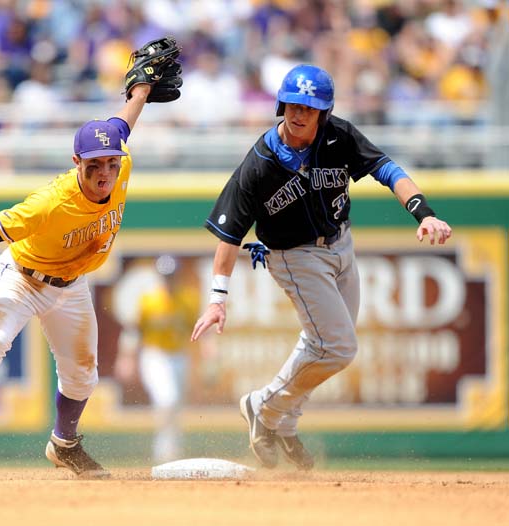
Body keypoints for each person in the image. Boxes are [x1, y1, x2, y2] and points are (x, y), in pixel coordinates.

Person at [0, 38, 182, 479]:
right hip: (22, 276)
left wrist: (139, 92)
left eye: (111, 164)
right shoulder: (49, 203)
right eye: (95, 164)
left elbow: (122, 124)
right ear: (76, 161)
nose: (105, 173)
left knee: (83, 376)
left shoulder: (121, 162)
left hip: (72, 284)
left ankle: (65, 445)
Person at [190, 64, 452, 471]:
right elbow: (229, 235)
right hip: (295, 256)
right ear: (281, 105)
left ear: (323, 113)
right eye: (293, 105)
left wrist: (424, 213)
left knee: (320, 344)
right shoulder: (259, 164)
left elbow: (388, 169)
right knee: (339, 347)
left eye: (308, 109)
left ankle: (283, 422)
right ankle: (263, 406)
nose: (298, 114)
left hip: (341, 244)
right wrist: (217, 299)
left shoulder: (338, 136)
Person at [113, 255, 199, 464]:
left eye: (172, 276)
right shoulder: (149, 300)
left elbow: (198, 329)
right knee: (167, 399)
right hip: (155, 356)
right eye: (165, 276)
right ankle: (165, 452)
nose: (168, 281)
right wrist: (126, 358)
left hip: (180, 356)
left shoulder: (188, 299)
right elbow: (134, 331)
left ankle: (172, 450)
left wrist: (209, 353)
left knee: (175, 405)